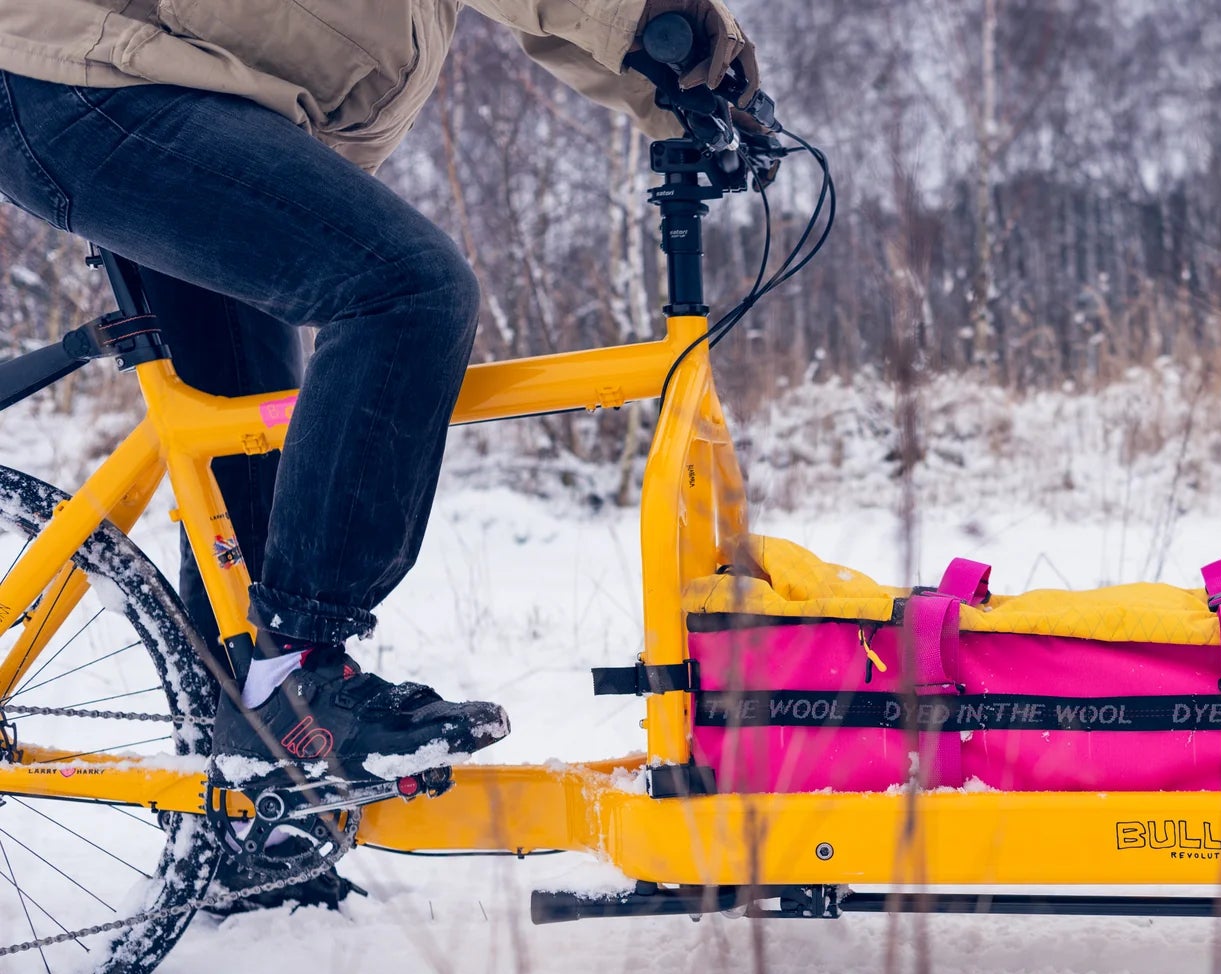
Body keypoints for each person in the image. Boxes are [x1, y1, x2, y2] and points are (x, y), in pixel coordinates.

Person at [0, 1, 756, 796]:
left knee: (243, 436)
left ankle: (261, 807)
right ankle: (296, 678)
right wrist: (680, 30)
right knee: (406, 289)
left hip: (183, 87)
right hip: (90, 74)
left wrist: (684, 93)